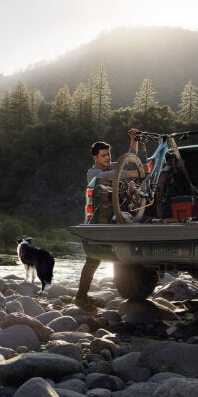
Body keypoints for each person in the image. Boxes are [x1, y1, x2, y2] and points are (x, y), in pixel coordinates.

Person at [75, 128, 139, 311]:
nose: (107, 158)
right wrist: (135, 174)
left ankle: (130, 289)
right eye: (104, 155)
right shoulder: (93, 173)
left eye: (108, 154)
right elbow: (114, 176)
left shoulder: (112, 166)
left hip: (115, 218)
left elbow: (129, 159)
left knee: (120, 256)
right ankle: (80, 297)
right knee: (93, 260)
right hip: (96, 222)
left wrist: (133, 140)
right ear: (95, 157)